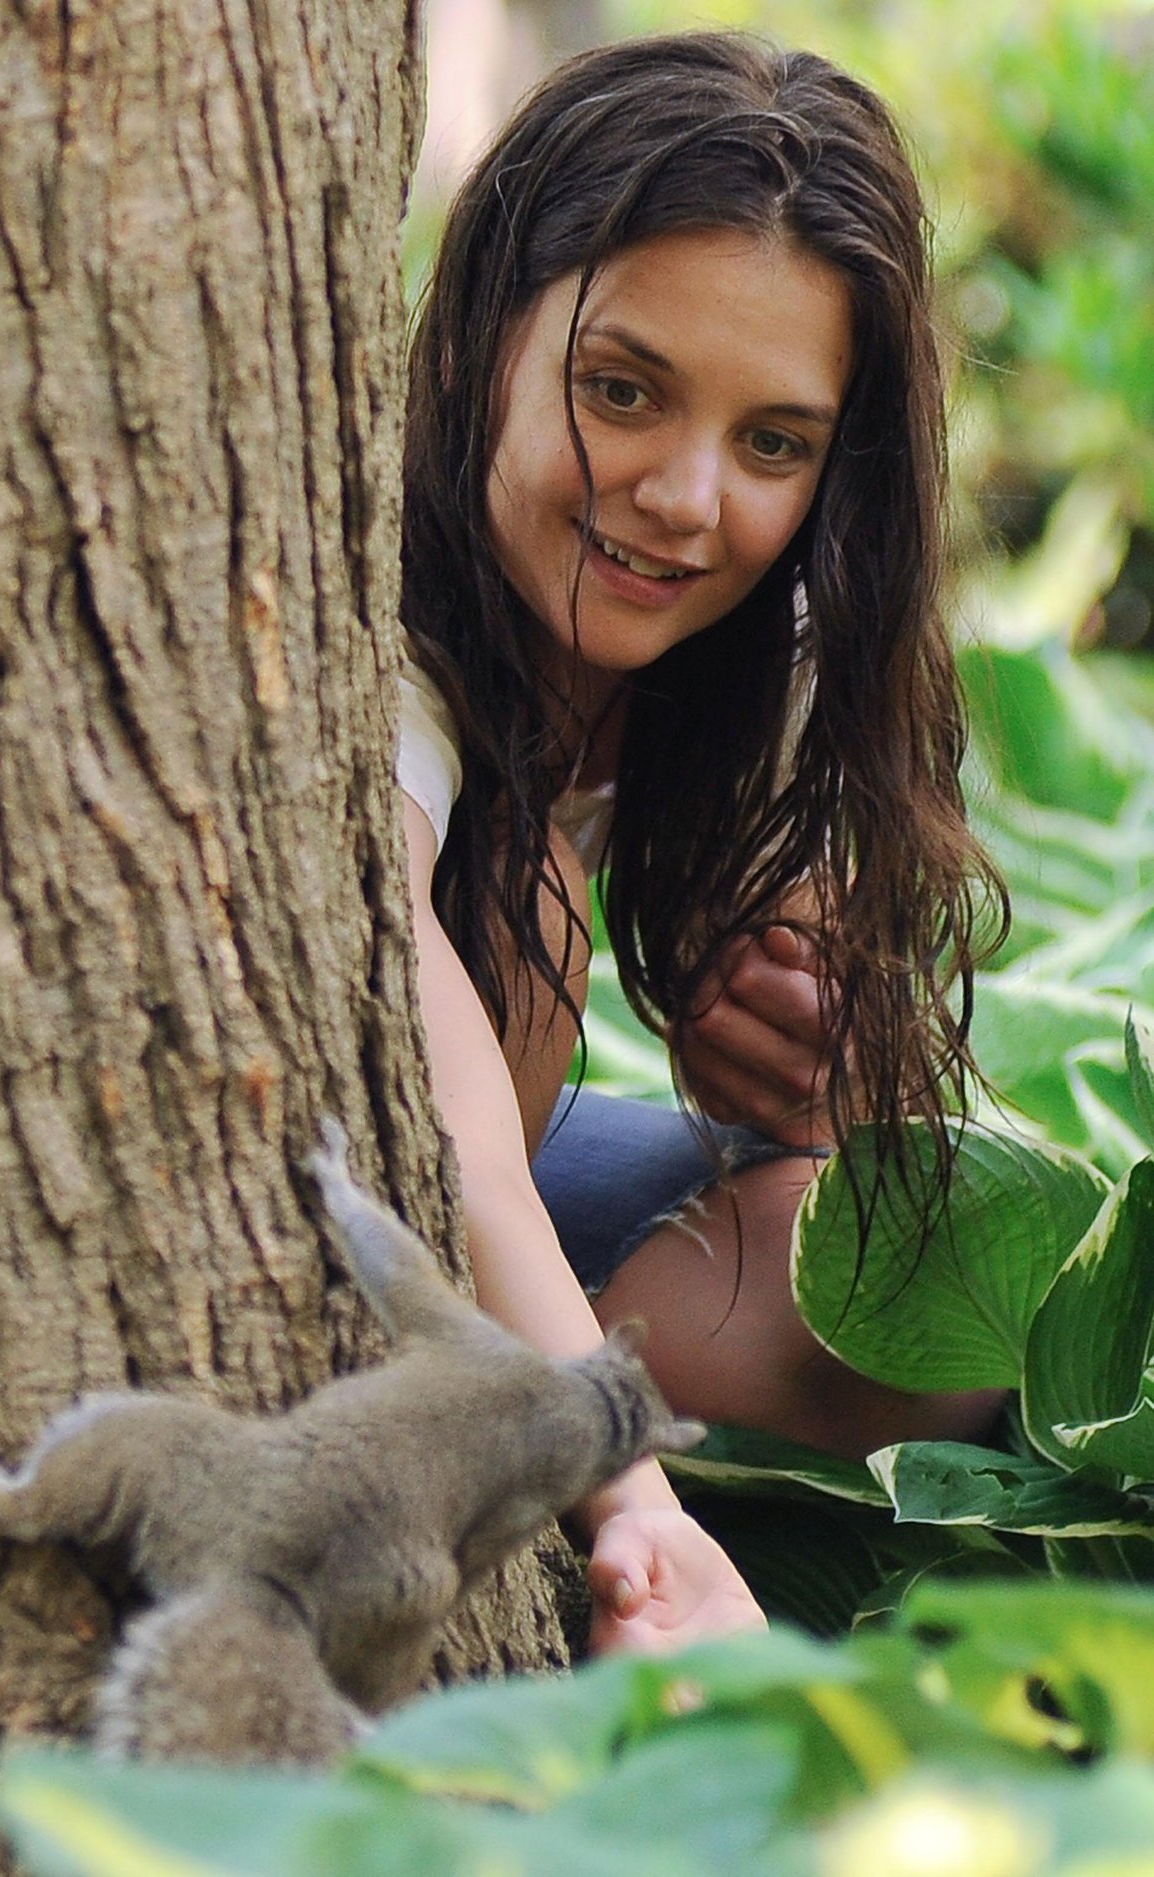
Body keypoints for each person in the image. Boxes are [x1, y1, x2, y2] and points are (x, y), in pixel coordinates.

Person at [397, 31, 1007, 1650]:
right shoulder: (385, 649)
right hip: (401, 1190)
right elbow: (435, 1090)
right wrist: (629, 1490)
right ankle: (497, 1443)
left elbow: (901, 1189)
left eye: (772, 442)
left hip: (535, 1205)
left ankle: (496, 1414)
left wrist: (823, 1076)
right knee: (509, 925)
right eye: (621, 390)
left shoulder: (751, 647)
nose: (683, 499)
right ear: (481, 340)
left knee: (926, 1287)